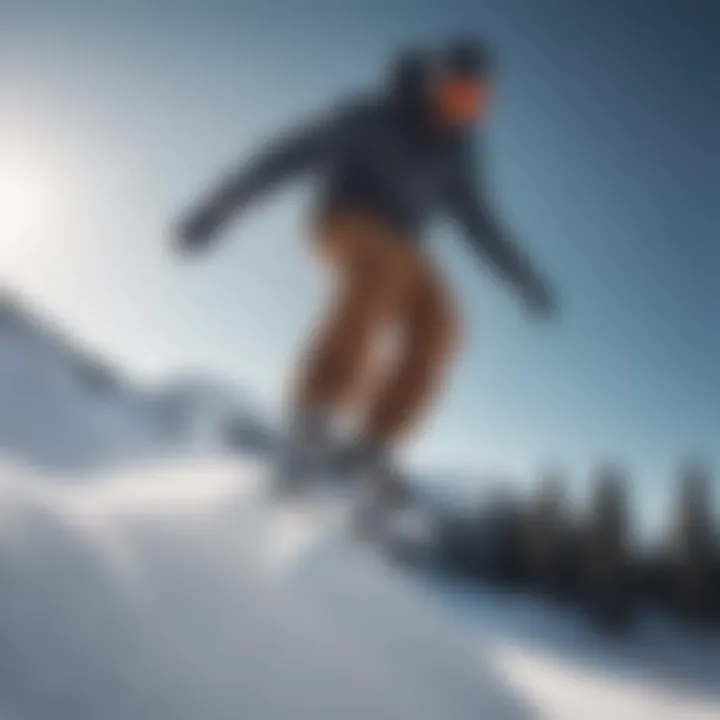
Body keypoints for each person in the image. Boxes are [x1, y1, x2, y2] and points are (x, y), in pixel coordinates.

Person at [174, 38, 557, 504]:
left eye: (475, 101)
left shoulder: (459, 156)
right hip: (345, 220)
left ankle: (370, 449)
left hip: (406, 247)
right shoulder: (375, 117)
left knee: (443, 325)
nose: (462, 110)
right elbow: (290, 155)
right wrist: (221, 204)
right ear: (434, 83)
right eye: (456, 93)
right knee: (383, 270)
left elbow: (483, 226)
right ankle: (314, 417)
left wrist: (525, 281)